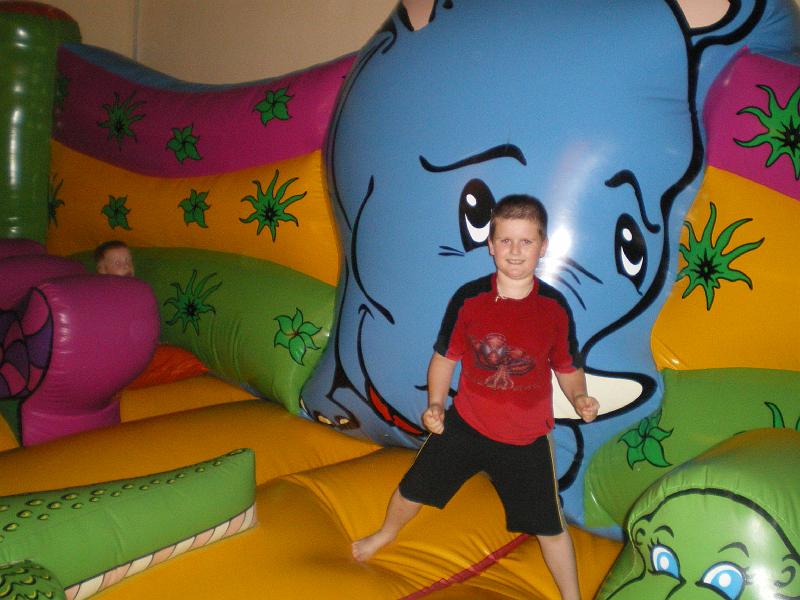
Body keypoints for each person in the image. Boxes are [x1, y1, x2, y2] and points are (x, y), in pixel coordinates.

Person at [351, 195, 600, 600]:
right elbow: (444, 359)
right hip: (467, 424)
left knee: (550, 527)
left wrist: (580, 397)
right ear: (490, 246)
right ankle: (386, 533)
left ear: (543, 246)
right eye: (505, 241)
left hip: (526, 438)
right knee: (411, 489)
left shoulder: (554, 307)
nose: (515, 251)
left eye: (526, 241)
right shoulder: (469, 298)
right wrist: (435, 405)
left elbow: (567, 367)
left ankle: (571, 595)